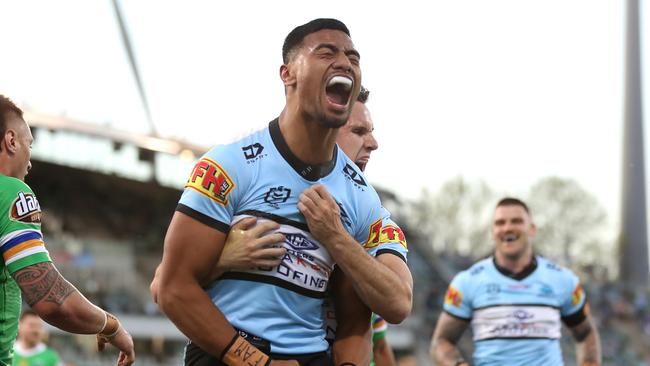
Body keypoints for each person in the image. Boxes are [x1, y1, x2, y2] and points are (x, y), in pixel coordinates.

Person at [153, 18, 409, 366]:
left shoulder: (363, 199)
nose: (344, 62)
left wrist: (335, 237)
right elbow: (170, 288)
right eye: (326, 52)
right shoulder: (228, 166)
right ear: (288, 74)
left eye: (353, 57)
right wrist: (259, 363)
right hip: (226, 353)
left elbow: (365, 318)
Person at [0, 95, 135, 366]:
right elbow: (51, 300)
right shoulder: (11, 192)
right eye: (30, 144)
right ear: (11, 140)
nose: (30, 160)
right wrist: (112, 327)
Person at [430, 197, 601, 366]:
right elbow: (442, 341)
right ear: (492, 231)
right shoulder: (467, 282)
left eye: (516, 221)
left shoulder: (563, 280)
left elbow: (585, 334)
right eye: (500, 223)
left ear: (532, 229)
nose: (508, 228)